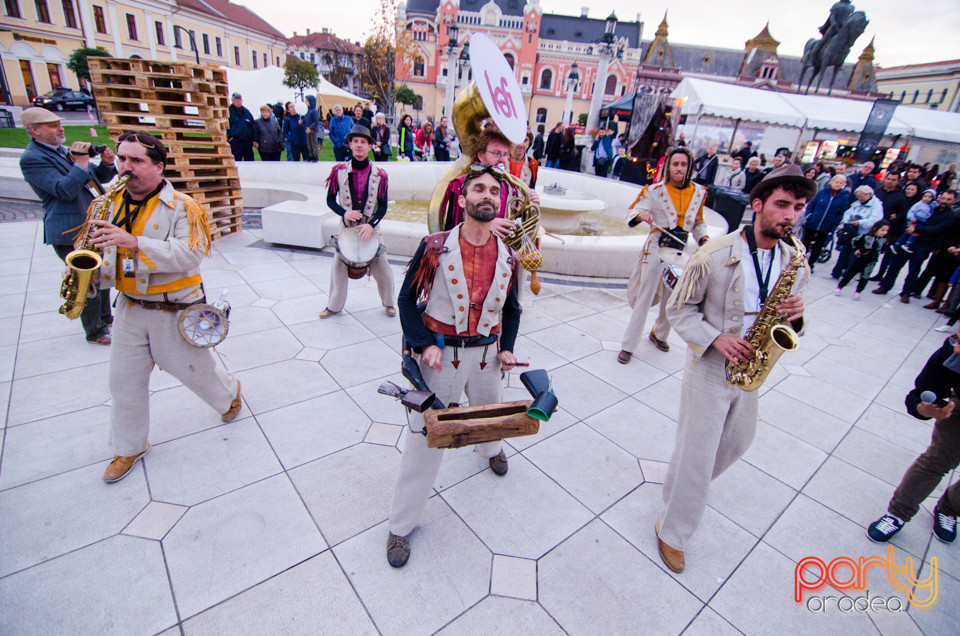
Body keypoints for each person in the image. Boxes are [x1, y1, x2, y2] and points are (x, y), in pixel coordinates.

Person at [656, 164, 815, 573]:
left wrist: (797, 315)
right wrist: (716, 338)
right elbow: (679, 310)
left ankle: (677, 489)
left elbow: (789, 317)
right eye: (781, 205)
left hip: (753, 365)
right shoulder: (715, 253)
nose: (790, 216)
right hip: (710, 365)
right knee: (698, 452)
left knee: (738, 442)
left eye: (798, 207)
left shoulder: (794, 259)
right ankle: (672, 531)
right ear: (757, 204)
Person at [386, 165, 522, 568]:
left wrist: (507, 348)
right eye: (478, 189)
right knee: (426, 439)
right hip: (440, 356)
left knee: (490, 416)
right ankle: (401, 525)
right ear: (461, 201)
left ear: (500, 202)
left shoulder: (510, 256)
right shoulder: (434, 246)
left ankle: (491, 450)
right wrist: (423, 343)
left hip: (485, 357)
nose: (487, 196)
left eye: (493, 192)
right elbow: (408, 301)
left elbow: (513, 310)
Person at [89, 131, 241, 482]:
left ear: (158, 166)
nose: (125, 168)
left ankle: (230, 394)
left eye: (136, 161)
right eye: (121, 158)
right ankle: (129, 446)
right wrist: (89, 271)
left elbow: (190, 253)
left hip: (172, 310)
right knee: (122, 383)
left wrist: (133, 242)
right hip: (129, 308)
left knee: (197, 374)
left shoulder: (185, 207)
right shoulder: (107, 205)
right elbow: (106, 256)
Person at [19, 107, 116, 345]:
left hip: (90, 224)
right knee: (86, 279)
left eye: (58, 123)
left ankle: (105, 317)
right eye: (52, 125)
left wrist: (106, 164)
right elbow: (63, 190)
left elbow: (96, 178)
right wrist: (80, 163)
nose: (60, 128)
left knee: (101, 273)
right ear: (34, 130)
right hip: (68, 228)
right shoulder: (32, 159)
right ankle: (95, 331)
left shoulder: (61, 151)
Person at [866, 329, 960, 545]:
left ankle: (949, 508)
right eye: (957, 338)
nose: (956, 347)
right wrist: (926, 409)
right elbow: (919, 393)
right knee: (938, 459)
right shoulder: (952, 349)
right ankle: (897, 514)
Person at [618, 147, 709, 364]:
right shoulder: (654, 190)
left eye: (683, 164)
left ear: (689, 168)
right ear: (668, 166)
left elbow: (698, 222)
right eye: (675, 164)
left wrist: (703, 238)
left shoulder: (699, 192)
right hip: (656, 246)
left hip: (680, 248)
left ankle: (659, 334)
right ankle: (628, 345)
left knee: (673, 298)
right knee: (645, 296)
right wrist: (642, 216)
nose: (679, 168)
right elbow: (630, 213)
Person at [318, 124, 396, 319]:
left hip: (371, 227)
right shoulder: (338, 171)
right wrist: (344, 213)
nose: (359, 146)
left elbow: (383, 206)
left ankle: (389, 303)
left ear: (370, 146)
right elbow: (329, 200)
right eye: (355, 142)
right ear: (350, 145)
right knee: (338, 268)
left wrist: (371, 224)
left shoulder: (381, 175)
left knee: (384, 268)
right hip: (346, 228)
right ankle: (333, 306)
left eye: (363, 142)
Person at [439, 127, 540, 235]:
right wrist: (484, 225)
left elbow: (519, 222)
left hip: (500, 249)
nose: (502, 159)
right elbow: (450, 229)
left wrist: (530, 205)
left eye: (505, 154)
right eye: (496, 153)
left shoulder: (511, 187)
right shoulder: (460, 184)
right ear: (481, 155)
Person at [874, 190, 958, 302]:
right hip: (910, 239)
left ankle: (906, 293)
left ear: (954, 201)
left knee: (914, 270)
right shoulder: (932, 207)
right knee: (895, 265)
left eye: (948, 199)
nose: (944, 201)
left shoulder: (950, 215)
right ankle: (885, 286)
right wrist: (911, 227)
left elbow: (937, 229)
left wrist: (917, 229)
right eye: (943, 198)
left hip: (924, 243)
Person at [831, 185, 883, 280]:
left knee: (854, 257)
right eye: (858, 196)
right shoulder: (857, 203)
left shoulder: (876, 206)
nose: (860, 198)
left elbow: (875, 220)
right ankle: (836, 273)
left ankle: (847, 275)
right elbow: (847, 213)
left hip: (863, 234)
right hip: (851, 232)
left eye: (862, 196)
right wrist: (850, 219)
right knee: (844, 253)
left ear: (869, 194)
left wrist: (859, 222)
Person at [800, 174, 849, 271]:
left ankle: (811, 264)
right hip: (813, 221)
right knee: (805, 242)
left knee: (818, 246)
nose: (838, 184)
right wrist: (809, 215)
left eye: (841, 183)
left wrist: (835, 222)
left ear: (843, 184)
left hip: (827, 225)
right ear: (832, 182)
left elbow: (843, 211)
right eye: (836, 182)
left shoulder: (843, 196)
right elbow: (812, 204)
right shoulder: (822, 192)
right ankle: (800, 261)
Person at [834, 220, 889, 299]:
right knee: (850, 274)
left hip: (871, 262)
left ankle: (858, 292)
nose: (884, 232)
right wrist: (857, 249)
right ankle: (839, 287)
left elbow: (882, 249)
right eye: (882, 230)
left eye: (886, 230)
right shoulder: (866, 236)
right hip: (861, 259)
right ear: (875, 229)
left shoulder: (883, 240)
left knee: (865, 277)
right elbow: (855, 241)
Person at [893, 189, 937, 254]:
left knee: (914, 233)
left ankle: (906, 244)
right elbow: (911, 211)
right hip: (915, 220)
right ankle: (900, 244)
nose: (927, 198)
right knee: (909, 232)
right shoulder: (919, 204)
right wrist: (911, 217)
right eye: (925, 196)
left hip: (923, 221)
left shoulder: (932, 205)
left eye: (929, 197)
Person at [227, 93, 255, 161]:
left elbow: (253, 126)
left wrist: (255, 139)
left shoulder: (247, 112)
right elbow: (224, 126)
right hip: (235, 140)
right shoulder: (228, 111)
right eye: (236, 99)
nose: (238, 101)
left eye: (239, 99)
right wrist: (228, 136)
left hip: (247, 141)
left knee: (249, 161)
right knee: (236, 161)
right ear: (232, 100)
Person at [303, 96, 321, 163]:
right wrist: (302, 121)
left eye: (307, 101)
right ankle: (310, 155)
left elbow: (316, 121)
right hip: (308, 130)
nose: (306, 102)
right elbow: (306, 119)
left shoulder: (314, 111)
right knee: (309, 143)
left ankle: (315, 156)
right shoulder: (307, 111)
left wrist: (310, 128)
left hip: (313, 130)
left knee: (314, 143)